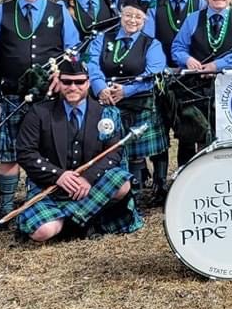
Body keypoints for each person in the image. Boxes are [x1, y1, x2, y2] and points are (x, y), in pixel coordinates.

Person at [0, 0, 81, 223]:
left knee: (45, 150)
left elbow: (73, 52)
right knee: (10, 154)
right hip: (12, 94)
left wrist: (62, 77)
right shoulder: (0, 13)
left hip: (47, 96)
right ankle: (5, 207)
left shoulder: (59, 11)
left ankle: (37, 199)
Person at [15, 61, 142, 242]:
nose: (73, 87)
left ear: (88, 83)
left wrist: (87, 178)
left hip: (88, 186)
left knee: (122, 184)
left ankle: (80, 220)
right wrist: (58, 175)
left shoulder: (103, 112)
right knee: (42, 232)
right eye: (67, 82)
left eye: (79, 82)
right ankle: (77, 223)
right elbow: (25, 153)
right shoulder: (39, 112)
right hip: (50, 187)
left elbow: (113, 152)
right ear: (58, 82)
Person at [87, 0, 169, 204]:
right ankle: (117, 190)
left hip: (139, 102)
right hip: (106, 102)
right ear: (121, 15)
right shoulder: (102, 39)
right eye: (128, 15)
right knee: (112, 148)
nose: (132, 20)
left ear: (144, 21)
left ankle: (139, 193)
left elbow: (154, 73)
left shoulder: (152, 44)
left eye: (138, 17)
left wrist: (127, 90)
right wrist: (100, 88)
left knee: (136, 151)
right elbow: (92, 65)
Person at [171, 0, 232, 162]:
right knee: (189, 136)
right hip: (195, 88)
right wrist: (187, 59)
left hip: (230, 88)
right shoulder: (193, 19)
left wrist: (217, 65)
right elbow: (177, 47)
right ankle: (185, 178)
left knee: (227, 136)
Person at [146, 0, 206, 190]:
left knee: (188, 131)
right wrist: (160, 68)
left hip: (190, 79)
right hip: (162, 77)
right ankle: (159, 184)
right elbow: (148, 41)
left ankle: (186, 182)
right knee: (160, 131)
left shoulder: (201, 3)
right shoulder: (154, 4)